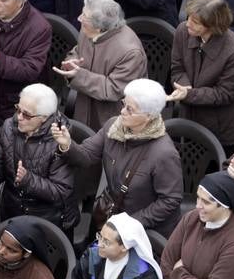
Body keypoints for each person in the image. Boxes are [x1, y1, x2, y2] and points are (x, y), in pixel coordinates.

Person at [56, 78, 185, 236]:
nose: (122, 112)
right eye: (124, 104)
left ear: (149, 116)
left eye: (130, 109)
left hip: (145, 231)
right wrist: (67, 145)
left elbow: (169, 200)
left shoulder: (164, 153)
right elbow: (87, 155)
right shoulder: (113, 126)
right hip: (111, 218)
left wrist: (131, 224)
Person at [0, 84, 74, 231]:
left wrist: (28, 180)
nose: (19, 117)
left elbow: (61, 192)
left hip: (48, 220)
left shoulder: (61, 141)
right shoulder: (8, 127)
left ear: (44, 118)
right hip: (12, 212)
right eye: (18, 109)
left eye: (26, 114)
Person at [167, 0, 234, 149]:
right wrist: (185, 88)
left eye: (195, 22)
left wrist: (189, 94)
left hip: (222, 126)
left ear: (213, 26)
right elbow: (177, 68)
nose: (188, 24)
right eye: (189, 18)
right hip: (189, 115)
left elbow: (224, 94)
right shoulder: (182, 31)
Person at [57, 0, 148, 130]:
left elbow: (113, 89)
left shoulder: (130, 52)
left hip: (111, 119)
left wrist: (77, 75)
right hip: (84, 107)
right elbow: (77, 50)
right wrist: (71, 62)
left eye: (84, 17)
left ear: (100, 27)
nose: (79, 19)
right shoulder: (88, 29)